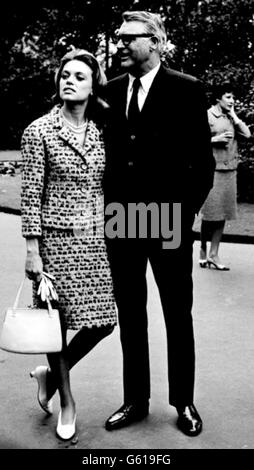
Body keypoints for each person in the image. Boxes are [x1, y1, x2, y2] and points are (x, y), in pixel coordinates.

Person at [102, 11, 215, 436]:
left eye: (129, 38)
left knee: (176, 313)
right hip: (120, 220)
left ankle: (183, 402)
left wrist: (183, 215)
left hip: (168, 218)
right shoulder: (109, 92)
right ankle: (135, 400)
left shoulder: (186, 89)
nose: (121, 45)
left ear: (154, 42)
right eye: (118, 38)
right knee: (131, 314)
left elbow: (202, 164)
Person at [21, 49, 117, 441]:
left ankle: (50, 375)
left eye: (79, 75)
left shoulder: (102, 130)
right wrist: (32, 249)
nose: (70, 80)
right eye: (65, 74)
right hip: (55, 244)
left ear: (94, 85)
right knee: (55, 327)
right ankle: (68, 402)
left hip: (94, 240)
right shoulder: (38, 131)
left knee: (105, 322)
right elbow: (30, 195)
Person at [199, 82, 251, 270]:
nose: (232, 101)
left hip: (229, 171)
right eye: (228, 97)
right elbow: (193, 141)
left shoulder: (231, 117)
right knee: (210, 214)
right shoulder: (207, 115)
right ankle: (203, 249)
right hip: (211, 171)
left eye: (233, 97)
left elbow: (247, 134)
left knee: (223, 214)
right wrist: (214, 139)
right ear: (218, 99)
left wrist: (235, 116)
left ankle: (214, 254)